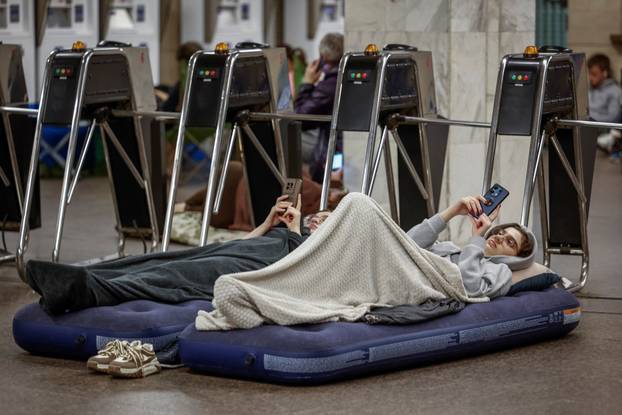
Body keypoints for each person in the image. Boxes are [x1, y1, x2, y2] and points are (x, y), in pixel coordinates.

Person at [25, 195, 318, 315]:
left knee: (169, 277)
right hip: (230, 250)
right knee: (153, 260)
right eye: (319, 216)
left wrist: (295, 231)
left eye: (326, 220)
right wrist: (269, 223)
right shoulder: (290, 231)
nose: (317, 220)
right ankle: (73, 277)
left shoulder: (311, 246)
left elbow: (294, 271)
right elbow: (248, 241)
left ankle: (85, 291)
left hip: (243, 269)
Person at [407, 195, 536, 298]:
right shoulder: (450, 247)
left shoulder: (500, 272)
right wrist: (454, 210)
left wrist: (476, 238)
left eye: (510, 242)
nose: (499, 237)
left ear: (517, 259)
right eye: (501, 232)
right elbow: (406, 242)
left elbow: (469, 289)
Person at [295, 33, 344, 183]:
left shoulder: (330, 85)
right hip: (340, 149)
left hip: (331, 156)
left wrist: (307, 83)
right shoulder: (341, 78)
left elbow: (299, 118)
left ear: (322, 57)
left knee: (285, 137)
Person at [587, 54, 622, 160]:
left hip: (602, 128)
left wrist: (590, 117)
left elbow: (613, 118)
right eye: (589, 73)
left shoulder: (615, 91)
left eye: (594, 74)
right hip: (589, 124)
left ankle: (611, 142)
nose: (590, 77)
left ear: (605, 73)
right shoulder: (591, 89)